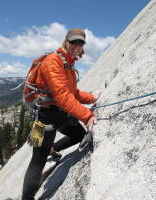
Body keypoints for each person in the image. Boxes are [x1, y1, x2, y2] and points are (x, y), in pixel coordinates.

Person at [22, 28, 100, 200]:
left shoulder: (68, 65)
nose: (77, 46)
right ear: (66, 41)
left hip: (61, 114)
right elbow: (62, 96)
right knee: (38, 161)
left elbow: (73, 93)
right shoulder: (53, 62)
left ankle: (53, 148)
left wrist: (92, 97)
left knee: (80, 135)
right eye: (74, 42)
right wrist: (87, 116)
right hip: (44, 118)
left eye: (81, 43)